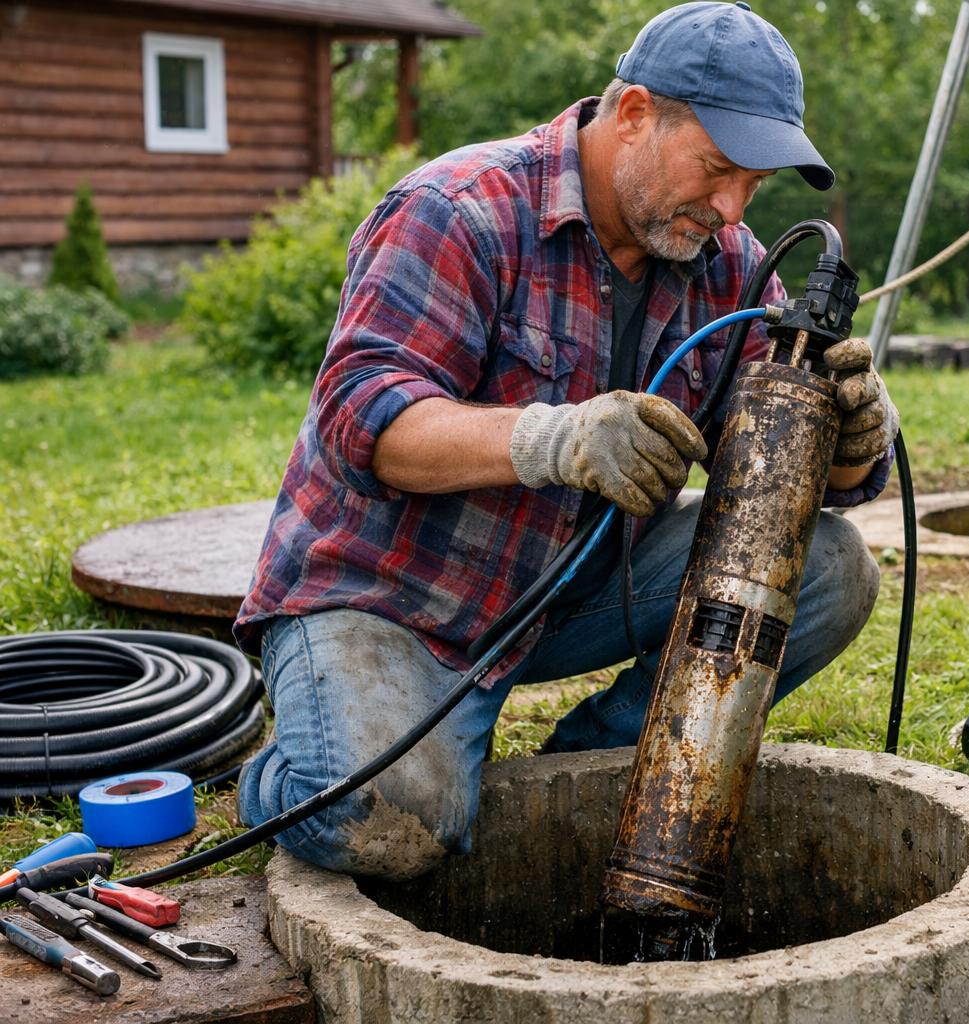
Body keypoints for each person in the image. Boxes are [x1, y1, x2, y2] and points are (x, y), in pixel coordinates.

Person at [234, 0, 900, 879]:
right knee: (382, 820)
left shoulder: (730, 264)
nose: (732, 206)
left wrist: (850, 432)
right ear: (634, 115)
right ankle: (288, 769)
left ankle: (588, 770)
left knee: (829, 568)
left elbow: (793, 480)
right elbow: (364, 416)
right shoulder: (459, 209)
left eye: (755, 183)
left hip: (573, 587)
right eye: (716, 169)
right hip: (392, 597)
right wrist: (557, 437)